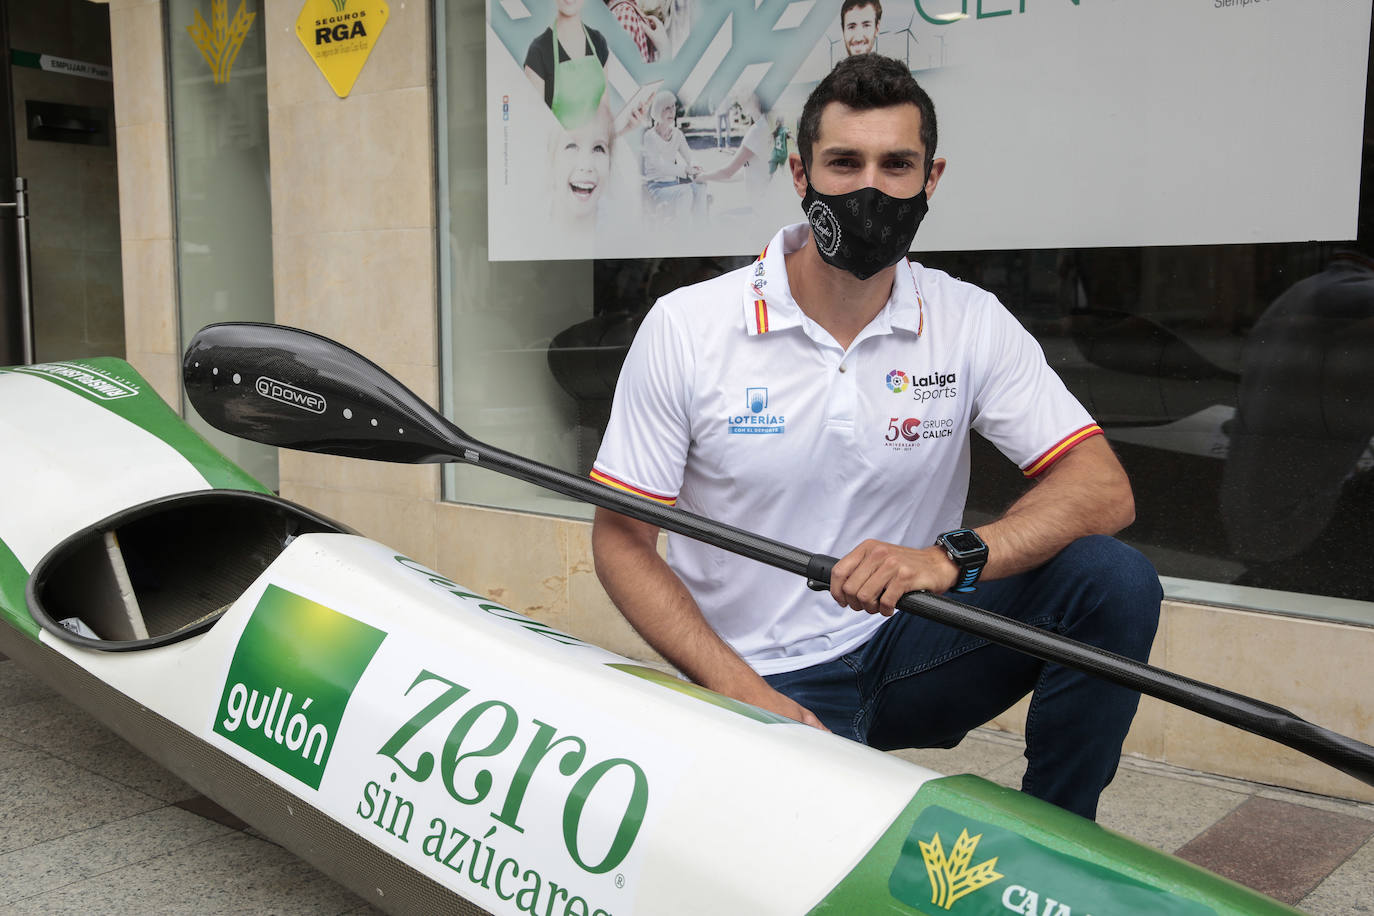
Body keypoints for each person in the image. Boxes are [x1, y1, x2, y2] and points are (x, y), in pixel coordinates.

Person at [589, 54, 1160, 821]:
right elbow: (622, 541)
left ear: (932, 177)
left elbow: (1103, 488)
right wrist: (744, 695)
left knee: (1111, 579)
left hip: (912, 647)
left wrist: (948, 559)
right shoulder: (691, 326)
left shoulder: (966, 318)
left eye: (897, 165)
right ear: (800, 173)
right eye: (843, 162)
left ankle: (1058, 845)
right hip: (762, 672)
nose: (870, 188)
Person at [524, 0, 610, 129]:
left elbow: (605, 118)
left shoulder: (598, 41)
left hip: (594, 146)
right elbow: (535, 129)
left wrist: (628, 126)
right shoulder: (538, 51)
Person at [641, 90, 706, 221]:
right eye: (667, 108)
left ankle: (701, 230)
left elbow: (690, 156)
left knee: (701, 186)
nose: (672, 111)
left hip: (674, 185)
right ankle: (684, 235)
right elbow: (660, 166)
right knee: (685, 192)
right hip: (657, 187)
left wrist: (696, 166)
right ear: (658, 111)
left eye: (673, 107)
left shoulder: (677, 134)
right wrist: (685, 170)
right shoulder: (649, 136)